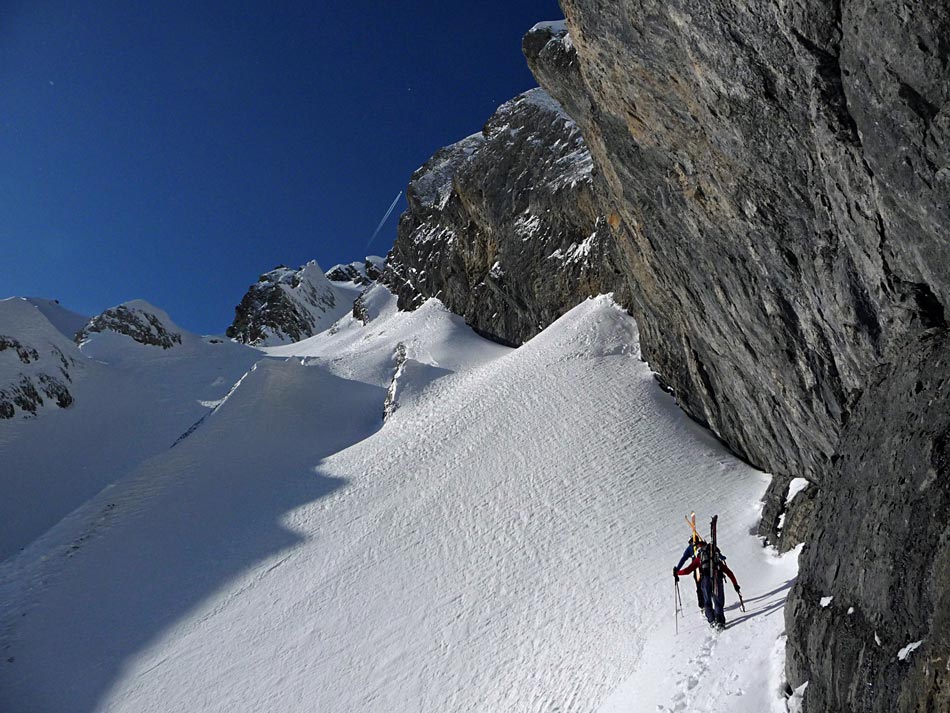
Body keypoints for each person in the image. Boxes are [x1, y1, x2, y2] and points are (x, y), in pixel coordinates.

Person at [674, 541, 741, 630]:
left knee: (707, 602)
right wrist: (735, 585)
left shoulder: (699, 559)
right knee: (718, 602)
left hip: (705, 580)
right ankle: (720, 622)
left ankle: (712, 620)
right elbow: (729, 573)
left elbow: (688, 570)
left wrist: (677, 572)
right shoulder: (716, 560)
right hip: (717, 578)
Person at [673, 537, 705, 609]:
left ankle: (706, 606)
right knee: (700, 587)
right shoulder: (690, 548)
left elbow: (683, 559)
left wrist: (677, 570)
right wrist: (677, 569)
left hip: (703, 569)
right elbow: (684, 558)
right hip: (697, 570)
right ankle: (703, 606)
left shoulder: (699, 545)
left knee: (703, 587)